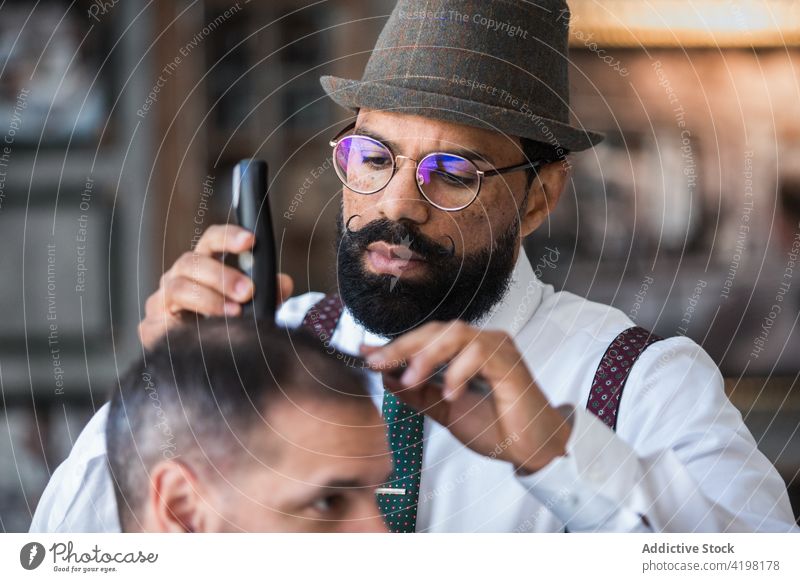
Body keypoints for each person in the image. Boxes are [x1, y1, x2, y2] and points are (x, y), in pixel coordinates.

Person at [32, 0, 797, 532]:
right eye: (372, 157)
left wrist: (561, 456)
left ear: (538, 198)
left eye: (454, 173)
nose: (397, 206)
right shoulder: (261, 345)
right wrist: (165, 393)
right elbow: (66, 558)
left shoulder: (643, 384)